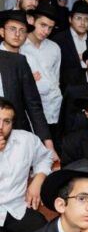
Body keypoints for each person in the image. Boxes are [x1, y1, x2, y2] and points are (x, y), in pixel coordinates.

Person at [0, 97, 52, 232]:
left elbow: (45, 158)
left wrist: (38, 179)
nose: (1, 127)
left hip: (17, 208)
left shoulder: (26, 140)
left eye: (6, 121)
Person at [0, 11, 54, 150]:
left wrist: (48, 143)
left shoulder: (22, 60)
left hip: (17, 132)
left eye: (22, 30)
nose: (17, 34)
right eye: (12, 29)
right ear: (2, 32)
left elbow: (33, 104)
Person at [21, 3, 62, 136]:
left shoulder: (54, 48)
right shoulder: (20, 47)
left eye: (50, 28)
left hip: (54, 108)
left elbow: (56, 78)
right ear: (32, 20)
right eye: (43, 25)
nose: (46, 31)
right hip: (30, 109)